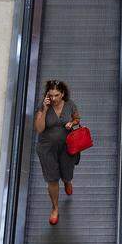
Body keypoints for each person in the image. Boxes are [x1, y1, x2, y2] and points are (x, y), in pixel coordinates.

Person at [34, 79, 80, 225]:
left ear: (63, 94)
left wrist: (72, 123)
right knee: (52, 179)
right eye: (51, 95)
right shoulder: (43, 107)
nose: (53, 99)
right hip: (47, 149)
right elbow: (39, 129)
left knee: (67, 173)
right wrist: (45, 109)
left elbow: (77, 119)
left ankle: (67, 181)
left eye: (56, 95)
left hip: (66, 147)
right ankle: (55, 208)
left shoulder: (70, 105)